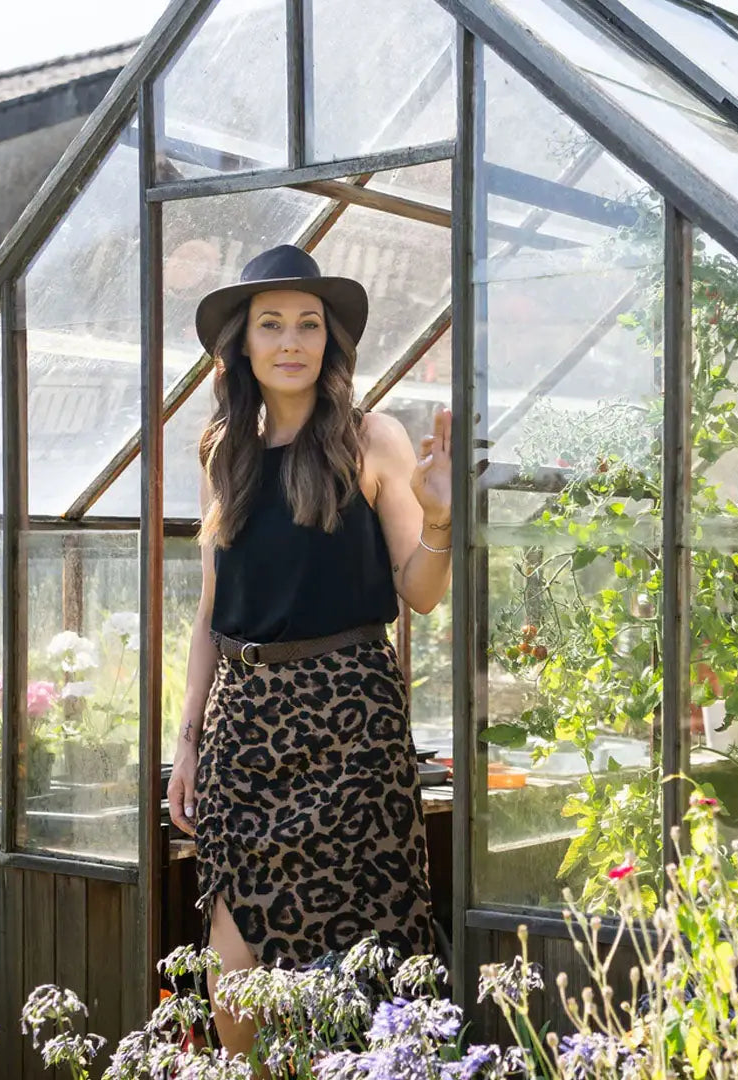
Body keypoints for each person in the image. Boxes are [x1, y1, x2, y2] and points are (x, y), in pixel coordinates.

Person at [166, 244, 452, 1057]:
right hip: (243, 736)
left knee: (366, 968)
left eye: (308, 324)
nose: (291, 341)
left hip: (352, 730)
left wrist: (436, 523)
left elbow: (422, 593)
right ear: (244, 346)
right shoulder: (222, 454)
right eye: (271, 325)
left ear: (330, 343)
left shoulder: (372, 439)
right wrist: (187, 742)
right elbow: (210, 614)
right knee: (235, 963)